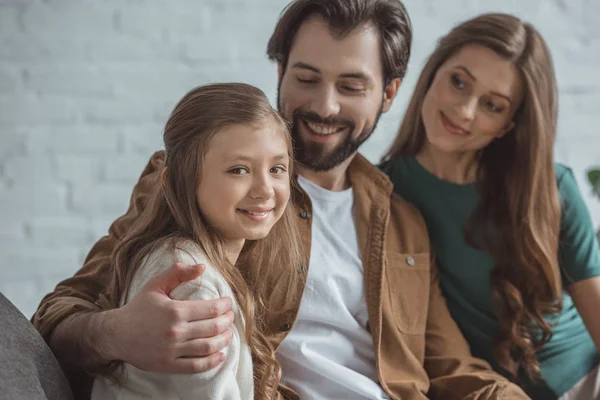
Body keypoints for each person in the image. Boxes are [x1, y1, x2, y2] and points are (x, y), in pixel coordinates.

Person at [33, 1, 531, 399]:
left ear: (389, 93)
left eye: (352, 85)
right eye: (306, 78)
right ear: (280, 70)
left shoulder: (402, 221)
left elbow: (450, 366)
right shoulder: (199, 186)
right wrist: (117, 334)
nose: (324, 105)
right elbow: (57, 314)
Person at [381, 13, 600, 400]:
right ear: (433, 71)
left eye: (492, 105)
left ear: (508, 125)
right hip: (484, 390)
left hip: (583, 379)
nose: (464, 110)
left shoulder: (550, 189)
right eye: (458, 81)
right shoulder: (383, 193)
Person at [89, 82, 302, 399]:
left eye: (277, 168)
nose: (265, 189)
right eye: (239, 169)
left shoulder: (189, 260)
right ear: (179, 180)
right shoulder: (191, 282)